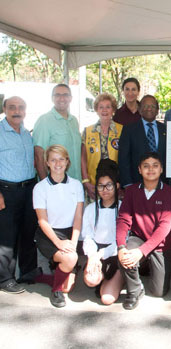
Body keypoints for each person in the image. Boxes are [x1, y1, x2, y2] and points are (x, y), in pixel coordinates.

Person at [116, 152, 171, 310]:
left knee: (158, 292)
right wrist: (121, 247)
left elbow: (165, 227)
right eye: (146, 166)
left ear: (162, 169)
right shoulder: (132, 191)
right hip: (139, 238)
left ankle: (145, 265)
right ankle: (135, 290)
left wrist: (142, 252)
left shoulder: (169, 192)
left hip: (161, 245)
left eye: (155, 165)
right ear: (139, 170)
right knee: (126, 254)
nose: (151, 169)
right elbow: (123, 219)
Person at [33, 145, 84, 307]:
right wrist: (59, 243)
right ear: (47, 162)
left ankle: (41, 276)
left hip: (69, 233)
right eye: (53, 160)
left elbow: (78, 217)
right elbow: (42, 221)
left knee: (68, 284)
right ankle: (56, 290)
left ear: (67, 162)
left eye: (61, 159)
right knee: (70, 259)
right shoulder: (40, 188)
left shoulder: (76, 185)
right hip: (49, 234)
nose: (57, 163)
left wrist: (74, 244)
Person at [0, 96, 40, 294]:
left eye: (21, 108)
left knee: (28, 232)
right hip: (7, 190)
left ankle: (28, 271)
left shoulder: (26, 133)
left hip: (28, 189)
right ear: (4, 109)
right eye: (12, 107)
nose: (17, 111)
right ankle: (5, 278)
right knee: (7, 236)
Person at [81, 159, 124, 304]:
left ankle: (119, 277)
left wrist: (101, 254)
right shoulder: (90, 209)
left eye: (109, 186)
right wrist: (93, 256)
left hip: (115, 254)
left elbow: (121, 240)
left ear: (117, 186)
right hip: (96, 252)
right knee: (91, 281)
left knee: (107, 299)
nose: (104, 190)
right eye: (100, 186)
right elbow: (87, 236)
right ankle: (102, 280)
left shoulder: (123, 209)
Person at [33, 84, 82, 181]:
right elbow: (39, 155)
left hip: (75, 182)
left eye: (66, 95)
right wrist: (46, 184)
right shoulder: (44, 121)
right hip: (55, 184)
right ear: (52, 98)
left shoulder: (74, 121)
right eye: (57, 95)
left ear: (71, 98)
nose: (62, 98)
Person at [81, 93, 123, 200]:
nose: (104, 110)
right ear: (96, 110)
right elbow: (83, 158)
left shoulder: (122, 130)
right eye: (101, 107)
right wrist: (86, 182)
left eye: (108, 107)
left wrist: (122, 184)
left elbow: (126, 159)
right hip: (94, 186)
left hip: (116, 186)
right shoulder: (87, 131)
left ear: (113, 109)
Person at [118, 95, 167, 187]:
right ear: (139, 110)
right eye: (146, 106)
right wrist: (127, 184)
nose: (149, 109)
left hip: (163, 183)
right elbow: (123, 159)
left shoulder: (166, 129)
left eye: (153, 106)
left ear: (157, 110)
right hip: (136, 183)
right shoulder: (129, 130)